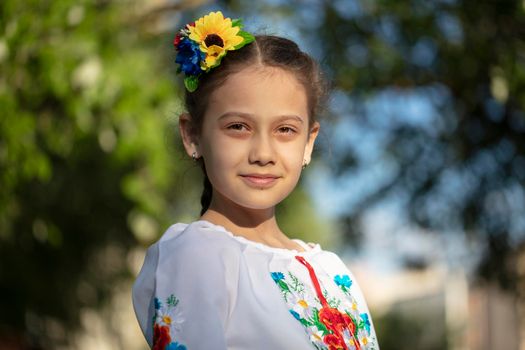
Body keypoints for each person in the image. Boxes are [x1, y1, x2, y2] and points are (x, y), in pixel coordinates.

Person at [132, 11, 379, 350]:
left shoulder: (334, 272)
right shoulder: (196, 256)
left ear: (309, 142)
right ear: (192, 135)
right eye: (238, 127)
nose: (263, 153)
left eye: (285, 130)